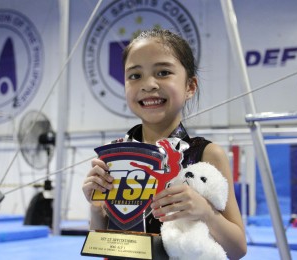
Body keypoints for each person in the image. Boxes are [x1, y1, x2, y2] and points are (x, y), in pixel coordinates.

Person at [82, 28, 247, 259]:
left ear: (190, 86)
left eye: (163, 72)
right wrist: (96, 207)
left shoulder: (208, 154)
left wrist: (207, 213)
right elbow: (105, 244)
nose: (148, 84)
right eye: (135, 75)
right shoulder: (115, 155)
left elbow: (238, 249)